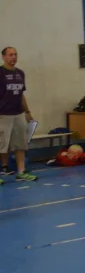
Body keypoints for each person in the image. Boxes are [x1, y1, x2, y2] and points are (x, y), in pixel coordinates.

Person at [0, 47, 37, 182]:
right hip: (2, 115)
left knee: (20, 144)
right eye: (10, 55)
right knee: (1, 145)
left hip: (18, 114)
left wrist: (27, 112)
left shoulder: (20, 73)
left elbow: (21, 94)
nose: (13, 57)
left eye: (15, 54)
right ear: (3, 57)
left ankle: (21, 172)